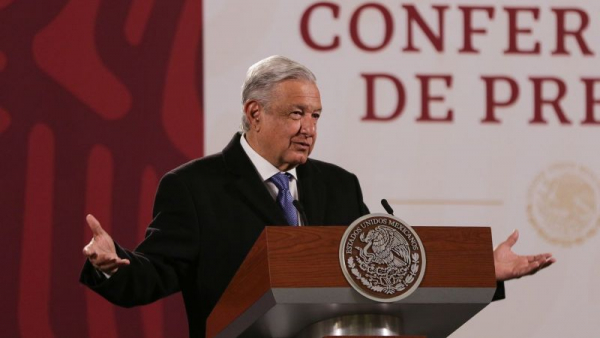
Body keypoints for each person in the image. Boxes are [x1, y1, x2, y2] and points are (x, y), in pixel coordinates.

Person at [81, 55, 555, 338]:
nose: (309, 128)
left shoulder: (338, 184)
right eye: (296, 113)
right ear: (254, 113)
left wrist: (479, 271)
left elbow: (382, 270)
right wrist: (112, 264)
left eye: (317, 115)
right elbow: (157, 275)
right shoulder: (194, 187)